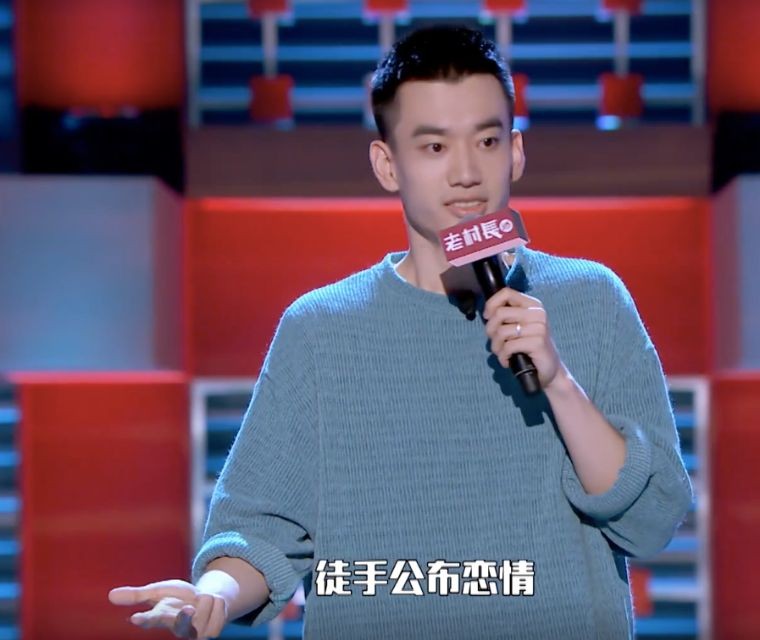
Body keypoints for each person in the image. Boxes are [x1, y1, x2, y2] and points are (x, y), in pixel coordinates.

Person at [109, 25, 693, 639]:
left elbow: (653, 519)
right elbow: (259, 528)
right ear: (387, 165)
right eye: (435, 147)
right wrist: (214, 596)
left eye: (487, 141)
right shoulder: (320, 330)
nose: (466, 173)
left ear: (516, 152)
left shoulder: (593, 300)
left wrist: (558, 382)